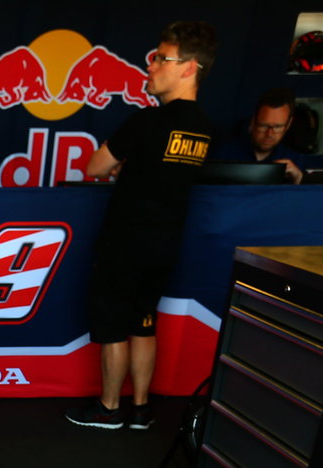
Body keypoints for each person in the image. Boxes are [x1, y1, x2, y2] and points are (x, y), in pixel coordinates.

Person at [67, 21, 215, 431]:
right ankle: (142, 408)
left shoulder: (146, 122)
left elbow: (95, 166)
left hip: (125, 243)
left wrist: (126, 165)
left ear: (188, 67)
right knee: (145, 322)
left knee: (115, 326)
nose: (150, 67)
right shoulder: (204, 128)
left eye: (160, 58)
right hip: (166, 245)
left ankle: (110, 407)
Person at [211, 88, 304, 183]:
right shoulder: (224, 153)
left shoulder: (294, 160)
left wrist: (298, 180)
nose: (269, 134)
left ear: (288, 125)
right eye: (263, 126)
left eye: (277, 127)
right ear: (253, 121)